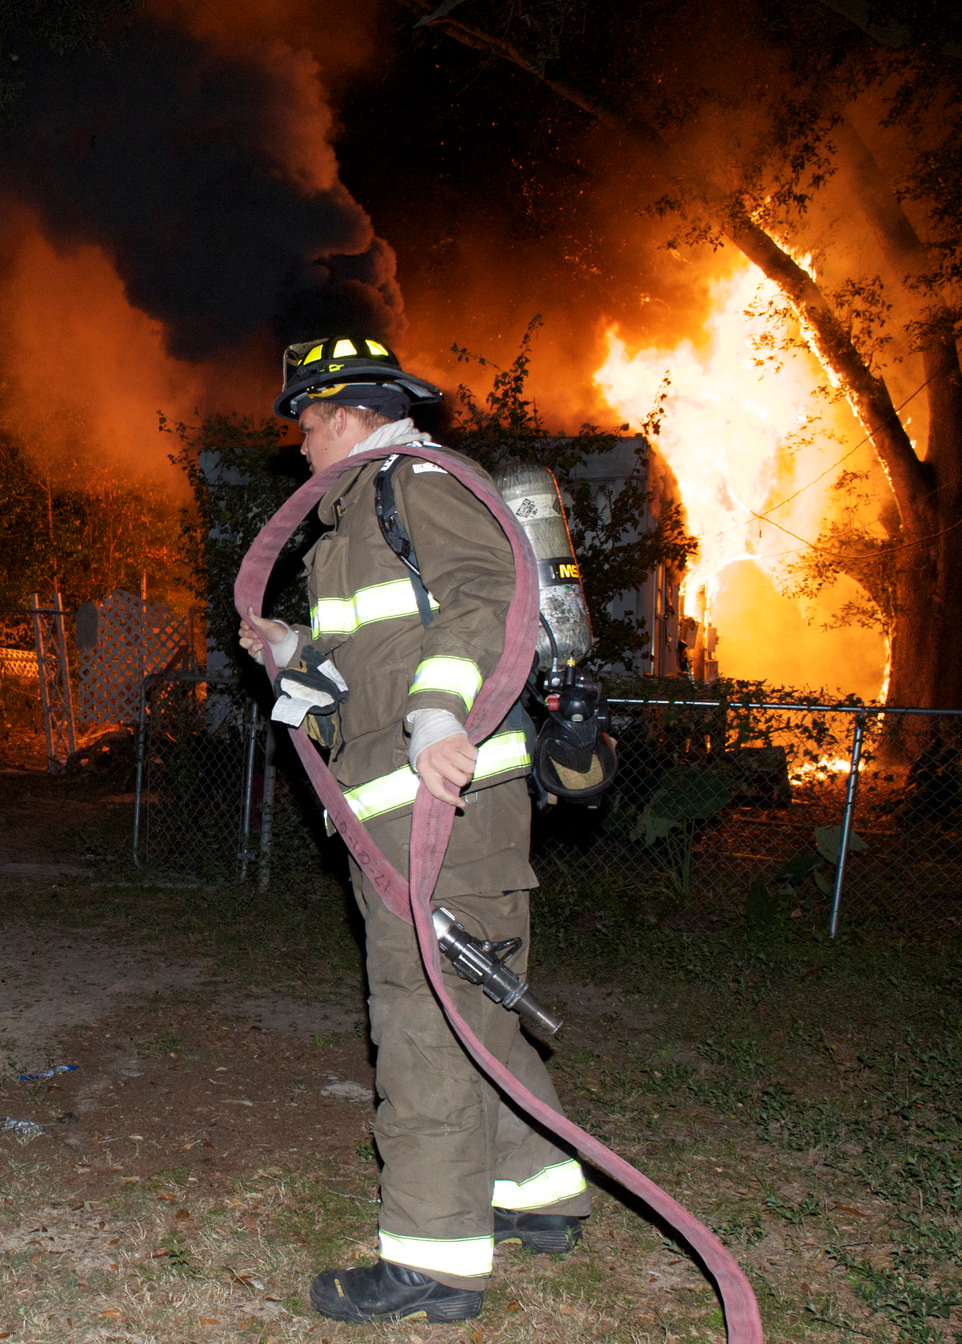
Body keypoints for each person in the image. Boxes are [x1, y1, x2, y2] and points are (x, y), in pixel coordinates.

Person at [237, 336, 591, 1325]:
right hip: (397, 813)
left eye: (308, 425)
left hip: (442, 808)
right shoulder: (354, 523)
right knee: (474, 1007)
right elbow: (369, 669)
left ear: (349, 414)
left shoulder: (418, 484)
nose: (300, 446)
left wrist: (439, 714)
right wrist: (292, 647)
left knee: (421, 1019)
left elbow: (485, 593)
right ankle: (539, 1192)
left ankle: (434, 1260)